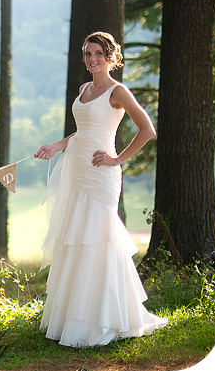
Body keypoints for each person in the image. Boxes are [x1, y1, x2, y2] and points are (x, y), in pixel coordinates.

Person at [34, 31, 167, 347]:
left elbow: (147, 129)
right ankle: (73, 317)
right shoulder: (85, 89)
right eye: (87, 53)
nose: (92, 59)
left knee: (99, 239)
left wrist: (117, 159)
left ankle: (105, 319)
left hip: (101, 174)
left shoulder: (117, 91)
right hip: (78, 171)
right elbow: (81, 132)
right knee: (77, 238)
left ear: (111, 57)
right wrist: (56, 146)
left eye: (98, 54)